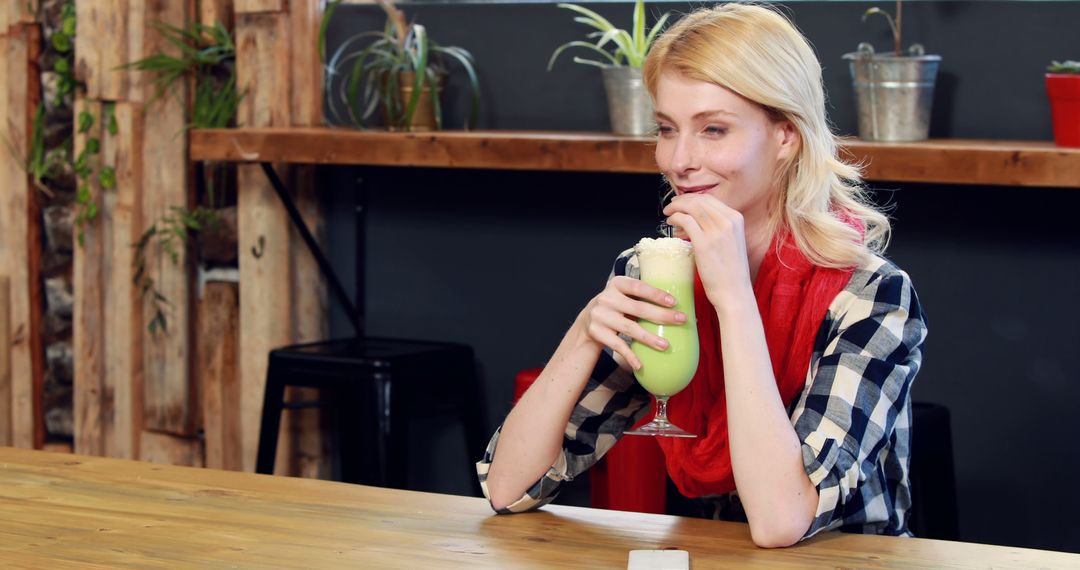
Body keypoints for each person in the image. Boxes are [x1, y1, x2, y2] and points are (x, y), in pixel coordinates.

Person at [478, 2, 927, 548]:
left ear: (786, 135)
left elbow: (782, 520)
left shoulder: (870, 295)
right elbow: (507, 488)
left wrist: (734, 298)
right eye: (667, 129)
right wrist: (586, 328)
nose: (680, 160)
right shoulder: (658, 271)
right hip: (711, 554)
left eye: (714, 129)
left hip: (851, 560)